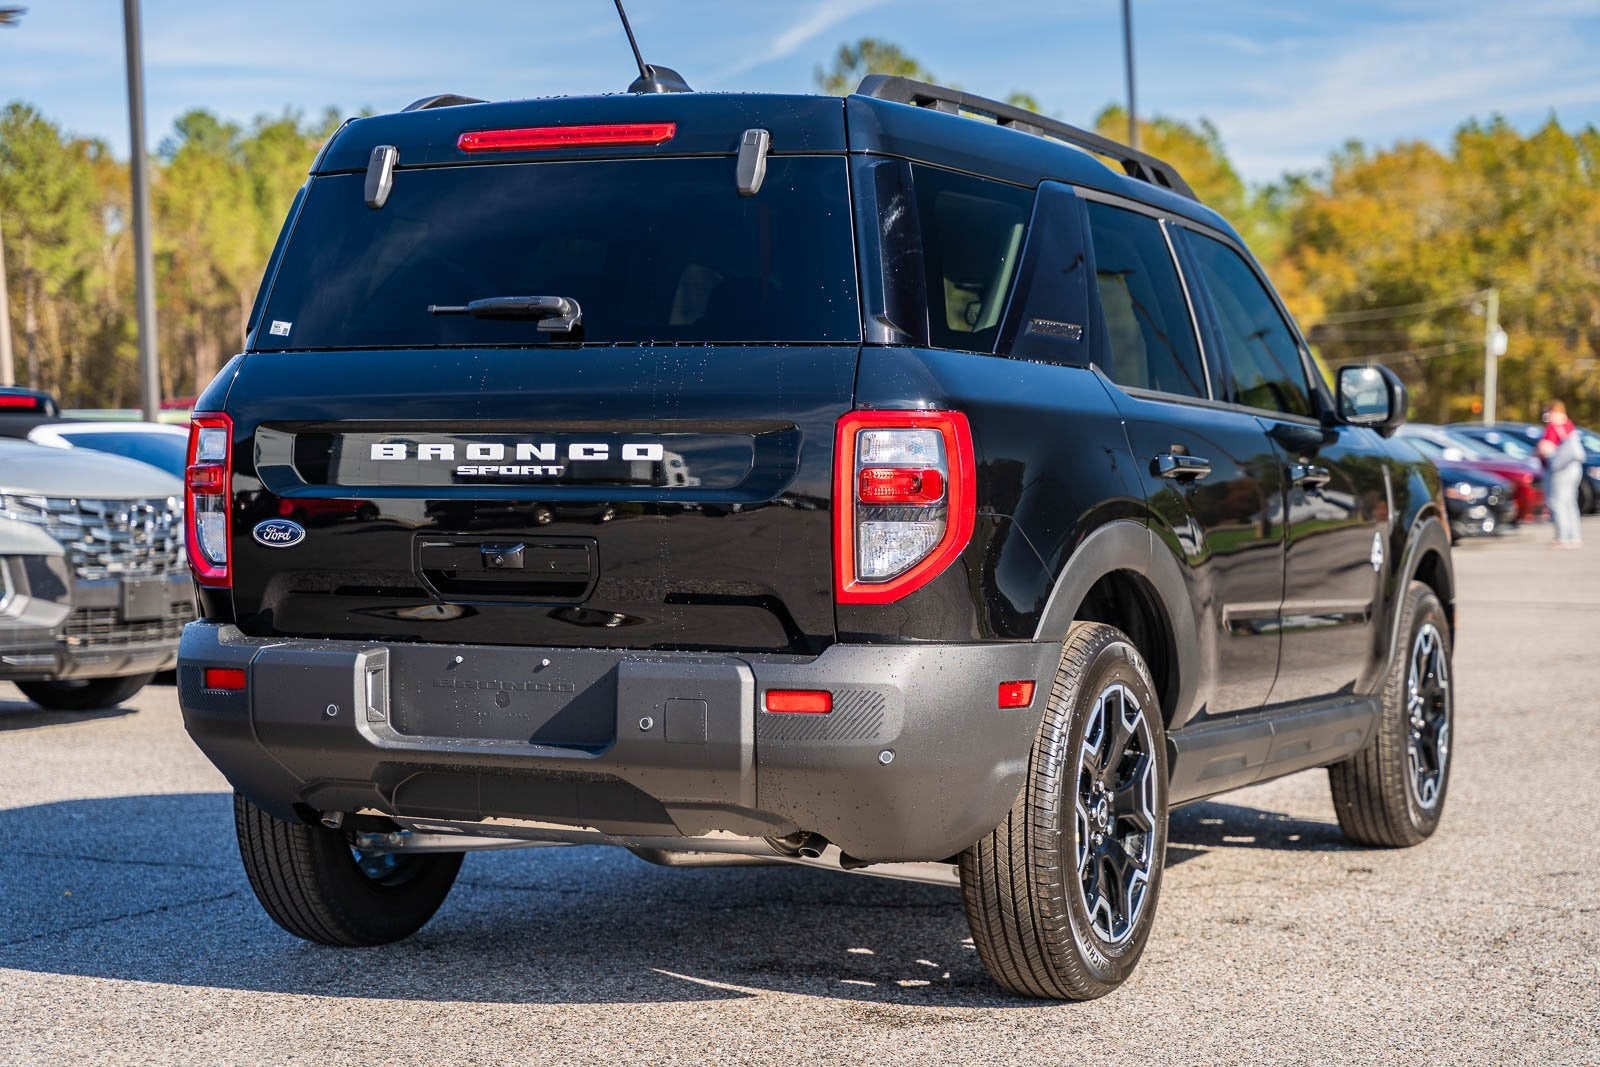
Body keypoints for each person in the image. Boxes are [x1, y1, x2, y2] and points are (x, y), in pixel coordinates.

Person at [1538, 400, 1585, 548]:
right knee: (1570, 501)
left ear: (1552, 411)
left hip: (1560, 467)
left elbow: (1548, 448)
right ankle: (1574, 536)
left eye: (1547, 412)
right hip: (1575, 466)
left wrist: (1539, 450)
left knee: (1557, 502)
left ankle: (1562, 536)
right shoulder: (1568, 423)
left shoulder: (1553, 425)